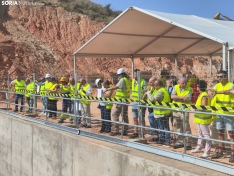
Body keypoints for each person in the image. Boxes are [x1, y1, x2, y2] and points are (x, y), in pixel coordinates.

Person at [210, 70, 234, 163]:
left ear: (226, 77)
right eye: (218, 77)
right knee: (220, 132)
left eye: (221, 77)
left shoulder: (231, 84)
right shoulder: (217, 85)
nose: (219, 78)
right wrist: (210, 92)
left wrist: (219, 92)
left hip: (229, 114)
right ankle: (220, 150)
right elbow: (211, 89)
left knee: (231, 133)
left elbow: (230, 91)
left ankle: (233, 153)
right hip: (219, 113)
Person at [145, 79, 171, 146]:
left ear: (158, 85)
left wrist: (148, 92)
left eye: (155, 85)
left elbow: (152, 99)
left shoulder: (161, 91)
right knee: (161, 126)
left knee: (165, 127)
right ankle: (162, 139)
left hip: (163, 112)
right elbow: (150, 99)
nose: (154, 86)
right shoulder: (157, 90)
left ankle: (167, 140)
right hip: (159, 112)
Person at [104, 68, 130, 136]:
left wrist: (107, 89)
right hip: (125, 101)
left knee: (114, 114)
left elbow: (115, 87)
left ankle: (116, 130)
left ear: (121, 74)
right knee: (124, 116)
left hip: (121, 101)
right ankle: (125, 130)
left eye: (118, 75)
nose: (118, 76)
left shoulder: (122, 80)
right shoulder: (127, 80)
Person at [192, 80, 213, 158]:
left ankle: (207, 151)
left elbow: (203, 107)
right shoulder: (201, 94)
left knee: (206, 135)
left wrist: (195, 108)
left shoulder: (204, 95)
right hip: (199, 118)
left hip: (203, 118)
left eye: (197, 86)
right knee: (200, 133)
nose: (196, 87)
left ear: (200, 87)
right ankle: (199, 147)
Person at [171, 77, 192, 150]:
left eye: (185, 83)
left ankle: (188, 143)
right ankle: (179, 142)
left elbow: (187, 99)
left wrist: (177, 97)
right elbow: (172, 96)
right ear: (178, 82)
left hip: (184, 110)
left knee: (186, 126)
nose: (184, 84)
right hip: (176, 110)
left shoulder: (189, 89)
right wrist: (181, 97)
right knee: (177, 126)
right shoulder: (175, 87)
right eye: (182, 83)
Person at [129, 69, 147, 138]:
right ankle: (135, 132)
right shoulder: (133, 81)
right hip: (134, 102)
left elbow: (145, 92)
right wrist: (131, 97)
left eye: (136, 74)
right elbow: (132, 90)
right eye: (134, 74)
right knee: (135, 118)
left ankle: (142, 132)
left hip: (141, 103)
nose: (134, 75)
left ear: (139, 75)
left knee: (141, 118)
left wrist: (142, 100)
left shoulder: (143, 82)